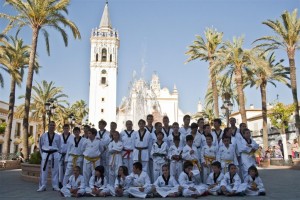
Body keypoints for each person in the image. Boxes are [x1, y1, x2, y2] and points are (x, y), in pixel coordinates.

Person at [37, 121, 61, 192]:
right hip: (45, 154)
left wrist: (57, 155)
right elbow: (40, 146)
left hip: (54, 154)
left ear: (55, 127)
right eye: (51, 125)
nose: (52, 126)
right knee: (43, 170)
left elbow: (59, 146)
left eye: (53, 125)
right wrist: (43, 155)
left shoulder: (57, 136)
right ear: (48, 126)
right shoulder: (43, 135)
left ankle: (55, 186)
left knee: (55, 171)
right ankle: (42, 186)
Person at [59, 124, 74, 188]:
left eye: (67, 128)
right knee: (60, 169)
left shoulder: (72, 137)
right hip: (60, 154)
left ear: (69, 129)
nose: (66, 129)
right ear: (63, 129)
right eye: (65, 128)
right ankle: (60, 182)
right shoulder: (59, 136)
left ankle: (67, 183)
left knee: (67, 170)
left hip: (68, 155)